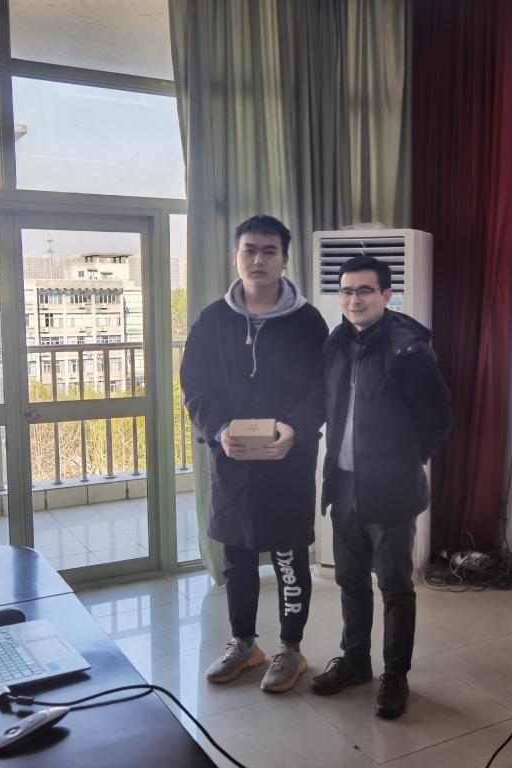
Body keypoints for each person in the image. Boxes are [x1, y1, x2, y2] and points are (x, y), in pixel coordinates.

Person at [180, 214, 328, 693]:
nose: (258, 259)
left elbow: (323, 387)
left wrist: (295, 427)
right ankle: (244, 643)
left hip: (289, 460)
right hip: (232, 459)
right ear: (235, 257)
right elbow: (194, 386)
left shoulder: (308, 322)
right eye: (249, 250)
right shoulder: (212, 320)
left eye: (269, 251)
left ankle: (290, 648)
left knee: (288, 557)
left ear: (284, 259)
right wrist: (218, 428)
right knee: (237, 556)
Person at [311, 254, 453, 718]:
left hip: (391, 490)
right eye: (346, 291)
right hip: (344, 484)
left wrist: (405, 460)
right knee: (350, 582)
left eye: (364, 290)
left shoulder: (408, 348)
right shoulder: (336, 344)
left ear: (387, 295)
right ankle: (355, 661)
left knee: (394, 586)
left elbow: (438, 418)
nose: (354, 299)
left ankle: (396, 674)